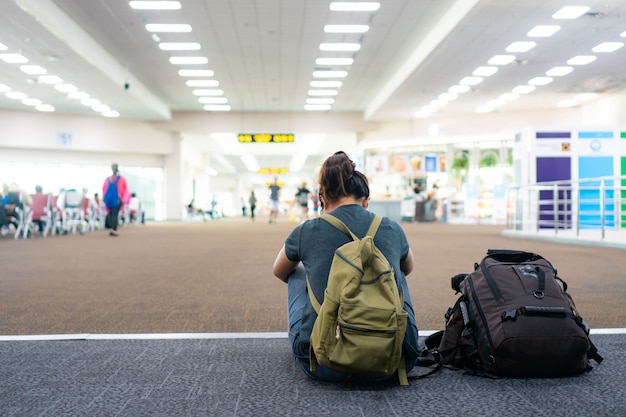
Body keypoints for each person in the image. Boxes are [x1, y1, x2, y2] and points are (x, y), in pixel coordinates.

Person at [272, 151, 421, 383]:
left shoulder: (307, 230)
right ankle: (397, 339)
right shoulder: (391, 228)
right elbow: (409, 267)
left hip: (324, 363)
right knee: (397, 271)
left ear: (322, 198)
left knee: (297, 272)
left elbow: (279, 270)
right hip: (393, 361)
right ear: (366, 201)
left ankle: (314, 335)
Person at [102, 163, 129, 236]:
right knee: (115, 214)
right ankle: (113, 229)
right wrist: (124, 200)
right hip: (117, 199)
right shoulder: (121, 179)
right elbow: (125, 190)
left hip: (108, 199)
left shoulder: (107, 179)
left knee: (110, 214)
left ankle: (111, 228)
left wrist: (104, 198)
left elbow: (104, 190)